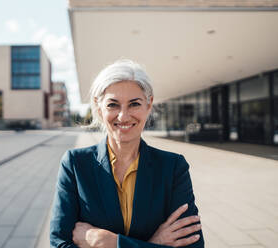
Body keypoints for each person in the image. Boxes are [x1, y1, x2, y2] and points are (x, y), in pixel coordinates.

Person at [50, 60, 204, 248]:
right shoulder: (75, 165)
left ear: (149, 105)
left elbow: (193, 246)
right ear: (99, 108)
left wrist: (110, 242)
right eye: (113, 105)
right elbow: (59, 244)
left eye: (134, 104)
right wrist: (155, 243)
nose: (123, 116)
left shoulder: (173, 167)